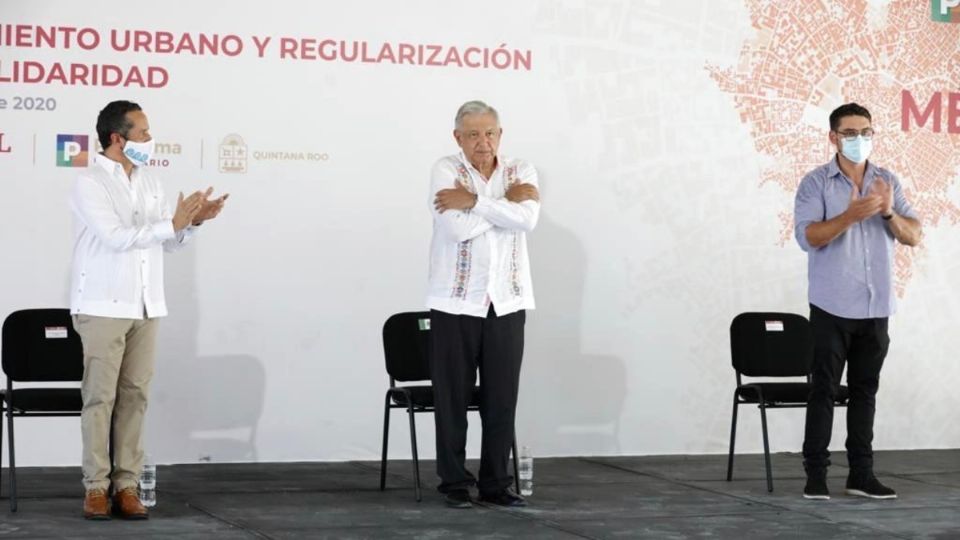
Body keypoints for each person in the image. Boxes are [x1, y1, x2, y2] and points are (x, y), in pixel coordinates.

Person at [71, 100, 228, 519]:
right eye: (142, 133)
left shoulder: (151, 181)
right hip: (103, 303)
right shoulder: (89, 183)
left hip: (146, 303)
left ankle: (127, 485)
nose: (149, 140)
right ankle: (95, 487)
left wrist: (194, 223)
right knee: (100, 398)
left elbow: (167, 242)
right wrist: (173, 223)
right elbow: (117, 236)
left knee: (135, 396)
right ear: (117, 138)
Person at [794, 102, 922, 501]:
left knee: (866, 391)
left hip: (876, 307)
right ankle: (816, 474)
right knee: (824, 390)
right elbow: (809, 237)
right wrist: (850, 216)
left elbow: (914, 234)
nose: (859, 139)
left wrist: (886, 213)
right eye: (850, 133)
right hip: (831, 306)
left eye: (865, 131)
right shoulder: (816, 183)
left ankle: (860, 474)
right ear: (833, 137)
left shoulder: (887, 180)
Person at [426, 100, 540, 508]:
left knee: (501, 397)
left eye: (489, 132)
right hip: (456, 302)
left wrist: (474, 201)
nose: (482, 141)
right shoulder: (446, 170)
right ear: (458, 137)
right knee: (452, 397)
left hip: (507, 302)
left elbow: (527, 221)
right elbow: (456, 230)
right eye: (473, 134)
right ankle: (454, 484)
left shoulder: (520, 170)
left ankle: (495, 484)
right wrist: (504, 204)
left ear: (500, 134)